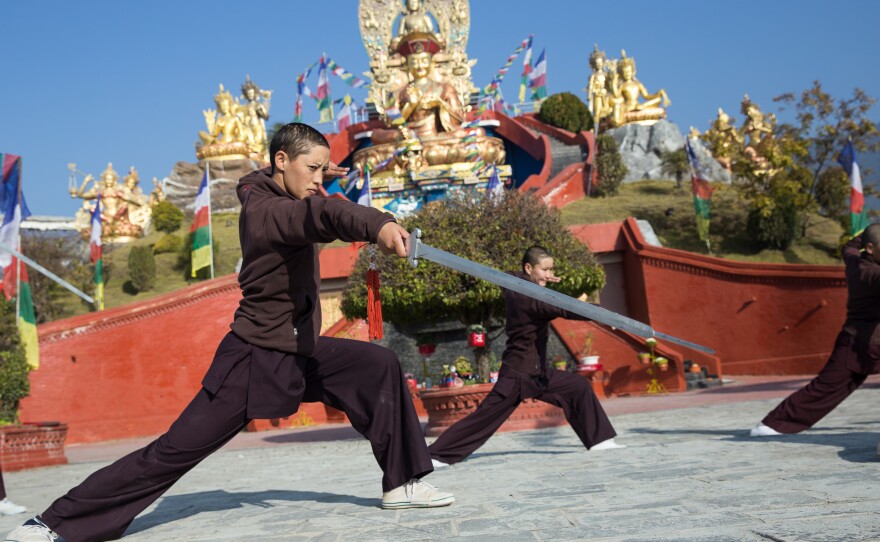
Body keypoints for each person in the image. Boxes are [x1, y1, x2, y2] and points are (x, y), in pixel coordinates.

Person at [6, 123, 453, 542]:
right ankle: (53, 523)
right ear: (281, 160)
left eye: (324, 169)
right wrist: (378, 224)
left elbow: (309, 196)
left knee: (376, 364)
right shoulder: (270, 212)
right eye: (312, 168)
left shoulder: (276, 188)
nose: (320, 179)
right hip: (255, 359)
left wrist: (314, 171)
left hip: (297, 349)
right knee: (171, 453)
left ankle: (403, 484)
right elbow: (322, 215)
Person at [429, 246, 624, 468]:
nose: (549, 275)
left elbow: (512, 276)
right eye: (545, 269)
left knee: (576, 386)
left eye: (551, 270)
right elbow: (566, 308)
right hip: (518, 374)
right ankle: (436, 455)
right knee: (484, 418)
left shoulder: (515, 285)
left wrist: (540, 278)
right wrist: (605, 315)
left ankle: (599, 439)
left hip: (536, 374)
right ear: (529, 267)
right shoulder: (534, 299)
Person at [751, 224, 880, 438]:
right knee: (826, 387)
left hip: (868, 341)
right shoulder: (869, 273)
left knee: (831, 387)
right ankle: (773, 424)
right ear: (871, 248)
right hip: (858, 344)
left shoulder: (854, 260)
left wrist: (867, 230)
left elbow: (849, 246)